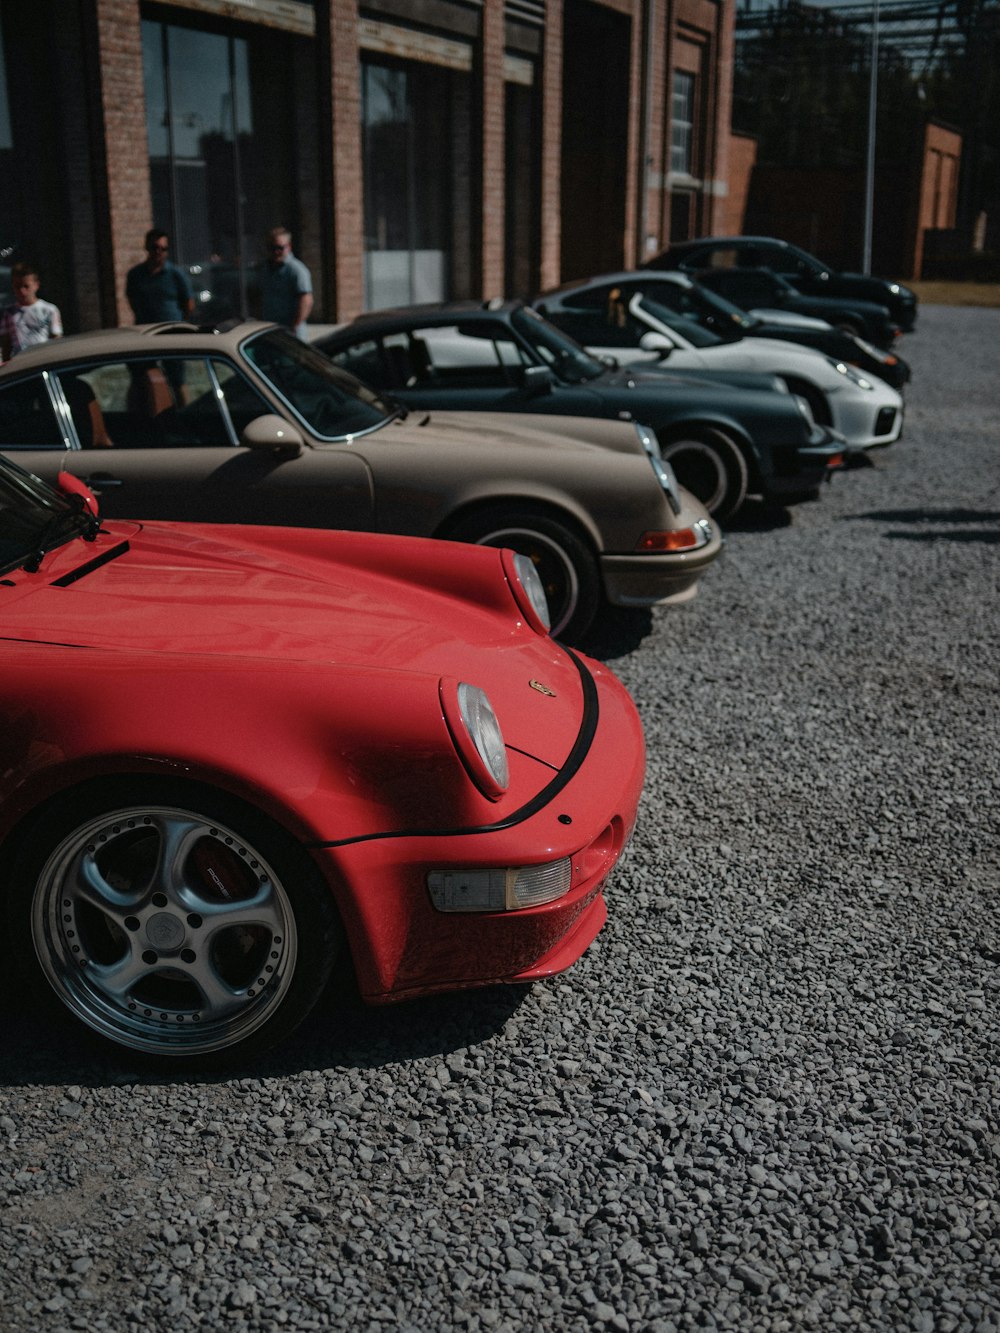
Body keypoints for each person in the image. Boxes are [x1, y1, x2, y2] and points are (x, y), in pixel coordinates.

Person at [125, 229, 195, 324]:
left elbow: (189, 304)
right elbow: (132, 300)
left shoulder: (176, 274)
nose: (159, 252)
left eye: (163, 249)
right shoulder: (135, 274)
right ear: (147, 247)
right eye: (155, 248)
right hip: (145, 330)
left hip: (172, 329)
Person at [256, 227, 313, 340]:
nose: (276, 252)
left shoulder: (296, 270)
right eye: (272, 248)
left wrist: (294, 326)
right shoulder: (264, 268)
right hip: (269, 329)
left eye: (280, 248)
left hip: (290, 332)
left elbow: (306, 300)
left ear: (289, 246)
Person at [0, 263, 63, 361]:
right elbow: (6, 346)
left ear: (36, 285)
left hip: (44, 361)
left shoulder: (49, 310)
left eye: (26, 286)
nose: (22, 291)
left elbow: (57, 340)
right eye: (18, 287)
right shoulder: (9, 314)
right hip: (20, 365)